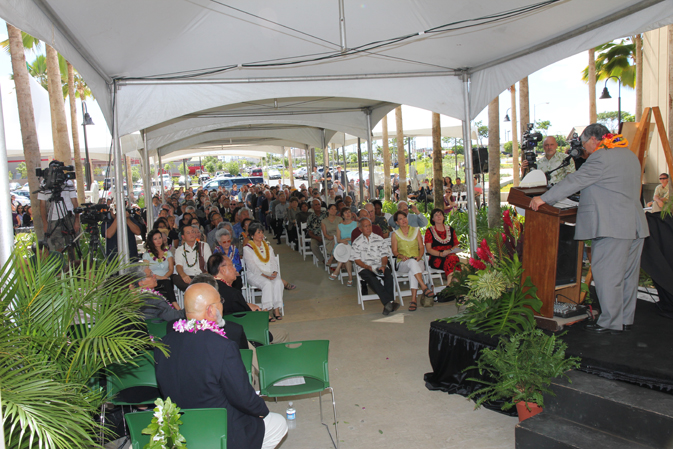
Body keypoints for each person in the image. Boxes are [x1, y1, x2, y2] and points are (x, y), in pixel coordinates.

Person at [530, 123, 649, 334]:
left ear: (594, 139)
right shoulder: (628, 154)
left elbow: (575, 180)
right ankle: (624, 319)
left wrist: (543, 198)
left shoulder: (601, 157)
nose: (584, 149)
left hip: (613, 226)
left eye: (584, 144)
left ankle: (610, 322)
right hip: (635, 224)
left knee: (607, 276)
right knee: (627, 276)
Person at [154, 283, 288, 449]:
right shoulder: (222, 346)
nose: (222, 306)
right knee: (278, 423)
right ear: (210, 310)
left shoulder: (163, 344)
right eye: (220, 302)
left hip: (181, 428)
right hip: (221, 430)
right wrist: (262, 411)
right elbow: (242, 397)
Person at [352, 218, 399, 315]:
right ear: (360, 229)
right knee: (372, 278)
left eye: (370, 225)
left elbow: (384, 255)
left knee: (388, 276)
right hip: (364, 267)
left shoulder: (379, 239)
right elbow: (357, 260)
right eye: (365, 226)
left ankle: (388, 305)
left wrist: (383, 265)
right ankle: (389, 302)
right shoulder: (357, 242)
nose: (369, 228)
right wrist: (366, 266)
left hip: (379, 264)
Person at [391, 210, 434, 311]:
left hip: (418, 261)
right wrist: (401, 256)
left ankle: (413, 300)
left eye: (404, 218)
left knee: (413, 269)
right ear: (397, 222)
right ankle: (423, 287)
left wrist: (419, 256)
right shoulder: (395, 234)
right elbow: (394, 251)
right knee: (411, 262)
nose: (403, 220)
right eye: (400, 219)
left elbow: (421, 247)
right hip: (403, 263)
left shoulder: (416, 230)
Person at [243, 221, 285, 322]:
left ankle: (276, 309)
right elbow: (252, 266)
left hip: (269, 273)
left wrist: (274, 272)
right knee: (267, 284)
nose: (261, 235)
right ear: (252, 235)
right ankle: (265, 311)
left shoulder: (268, 246)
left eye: (262, 232)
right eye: (258, 233)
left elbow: (273, 261)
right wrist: (266, 276)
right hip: (255, 275)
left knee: (278, 282)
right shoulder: (247, 249)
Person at [38, 170, 80, 253]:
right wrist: (45, 223)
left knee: (71, 247)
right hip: (53, 219)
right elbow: (42, 205)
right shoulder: (45, 183)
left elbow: (75, 202)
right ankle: (61, 265)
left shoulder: (67, 182)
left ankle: (72, 265)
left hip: (68, 216)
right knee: (58, 247)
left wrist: (77, 221)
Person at [142, 229, 178, 308]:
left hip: (166, 279)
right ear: (151, 241)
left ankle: (170, 307)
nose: (158, 240)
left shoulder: (168, 253)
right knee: (166, 283)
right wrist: (160, 277)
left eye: (160, 238)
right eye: (155, 239)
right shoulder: (147, 255)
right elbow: (147, 271)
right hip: (154, 280)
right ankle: (175, 306)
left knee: (167, 283)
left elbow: (171, 269)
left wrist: (165, 276)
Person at [172, 225, 212, 291]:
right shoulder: (179, 250)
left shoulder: (204, 246)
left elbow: (210, 263)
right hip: (188, 278)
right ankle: (195, 288)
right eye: (188, 233)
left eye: (193, 232)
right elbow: (178, 266)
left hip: (201, 276)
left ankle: (193, 289)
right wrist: (183, 275)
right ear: (183, 237)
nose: (191, 234)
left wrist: (207, 274)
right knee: (175, 278)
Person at [424, 208, 461, 279]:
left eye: (440, 214)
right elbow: (428, 249)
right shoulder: (429, 231)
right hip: (437, 257)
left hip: (450, 254)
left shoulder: (450, 229)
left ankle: (450, 284)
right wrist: (441, 254)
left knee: (453, 258)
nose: (439, 216)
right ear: (433, 219)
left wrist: (449, 251)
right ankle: (454, 283)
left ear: (443, 217)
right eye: (436, 215)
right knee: (453, 260)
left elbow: (456, 245)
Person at [331, 207, 357, 286]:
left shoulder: (356, 224)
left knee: (347, 251)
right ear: (342, 215)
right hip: (343, 244)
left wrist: (348, 239)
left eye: (349, 212)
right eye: (346, 213)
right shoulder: (340, 226)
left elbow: (356, 237)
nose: (348, 214)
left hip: (353, 244)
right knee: (346, 250)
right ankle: (350, 277)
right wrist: (345, 240)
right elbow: (338, 239)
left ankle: (337, 270)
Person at [307, 199, 327, 264]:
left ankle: (335, 259)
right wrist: (317, 238)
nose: (318, 206)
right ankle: (323, 260)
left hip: (327, 235)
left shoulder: (326, 214)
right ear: (312, 207)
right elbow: (310, 232)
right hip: (316, 237)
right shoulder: (310, 217)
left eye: (319, 204)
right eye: (316, 205)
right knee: (313, 245)